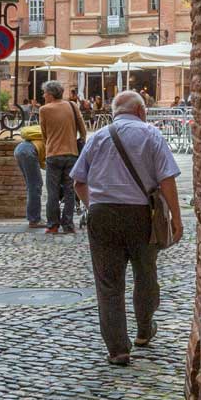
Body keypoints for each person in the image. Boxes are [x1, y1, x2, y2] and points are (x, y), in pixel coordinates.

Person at [69, 90, 184, 365]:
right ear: (142, 112)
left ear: (114, 112)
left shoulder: (98, 137)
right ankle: (144, 330)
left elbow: (78, 181)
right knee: (145, 273)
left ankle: (118, 349)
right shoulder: (151, 134)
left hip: (102, 213)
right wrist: (176, 219)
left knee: (108, 284)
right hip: (141, 214)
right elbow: (167, 179)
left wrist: (92, 206)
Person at [37, 80, 86, 236]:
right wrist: (80, 139)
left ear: (50, 94)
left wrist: (49, 144)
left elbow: (44, 133)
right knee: (70, 191)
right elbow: (82, 127)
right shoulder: (72, 106)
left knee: (52, 192)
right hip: (71, 153)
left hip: (53, 154)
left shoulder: (44, 110)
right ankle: (68, 224)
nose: (43, 96)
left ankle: (53, 225)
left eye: (44, 93)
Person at [14, 120, 46, 228]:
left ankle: (33, 217)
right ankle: (34, 220)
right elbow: (46, 161)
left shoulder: (42, 131)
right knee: (35, 185)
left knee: (32, 184)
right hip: (29, 152)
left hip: (20, 149)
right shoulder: (54, 136)